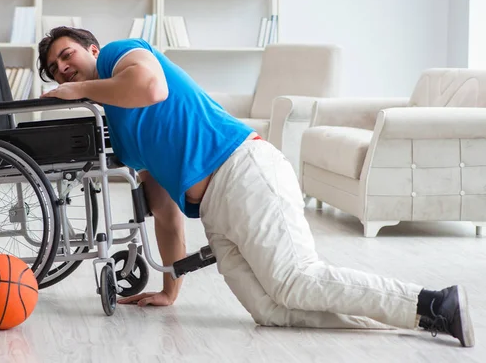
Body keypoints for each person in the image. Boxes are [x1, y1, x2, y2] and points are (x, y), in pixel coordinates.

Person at [37, 26, 474, 348]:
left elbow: (151, 87)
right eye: (56, 71)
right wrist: (170, 289)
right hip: (215, 212)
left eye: (67, 54)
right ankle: (418, 318)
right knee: (272, 310)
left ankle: (433, 303)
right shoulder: (122, 132)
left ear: (91, 48)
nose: (63, 68)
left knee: (297, 279)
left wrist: (80, 88)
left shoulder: (121, 54)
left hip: (243, 169)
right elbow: (166, 213)